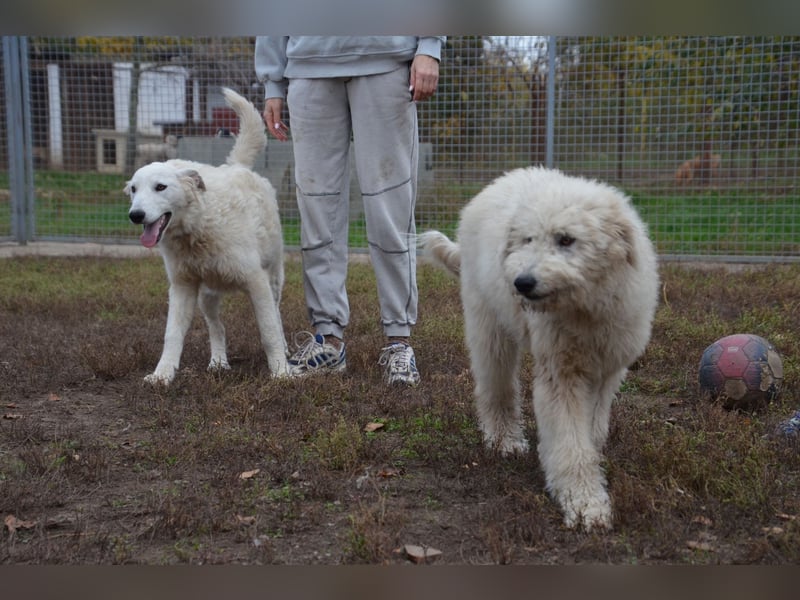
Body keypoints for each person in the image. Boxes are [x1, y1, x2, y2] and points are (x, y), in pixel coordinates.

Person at [255, 36, 444, 386]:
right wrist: (272, 82)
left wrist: (429, 47)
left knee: (390, 208)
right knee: (317, 207)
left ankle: (399, 342)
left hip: (386, 59)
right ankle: (327, 340)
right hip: (308, 66)